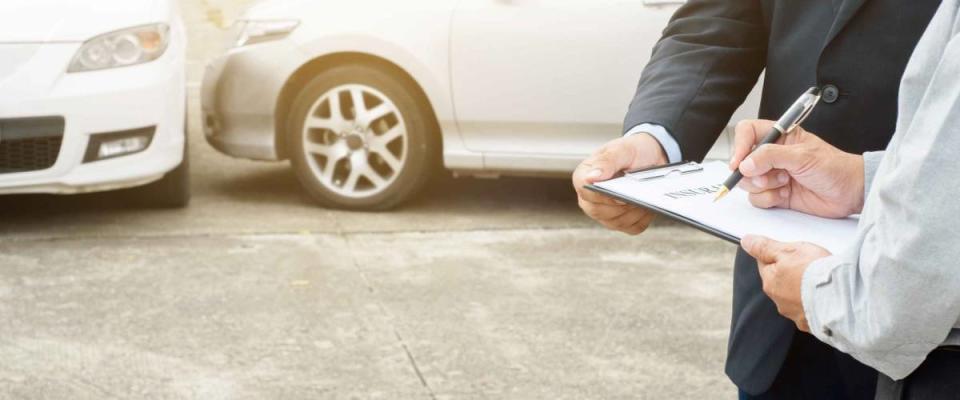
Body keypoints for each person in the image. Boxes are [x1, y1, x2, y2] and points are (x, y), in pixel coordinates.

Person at [572, 0, 944, 398]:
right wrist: (655, 140)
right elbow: (721, 18)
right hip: (779, 314)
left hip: (935, 330)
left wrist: (865, 179)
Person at [729, 1, 960, 398]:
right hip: (781, 337)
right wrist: (862, 181)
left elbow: (899, 307)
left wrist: (825, 298)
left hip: (924, 351)